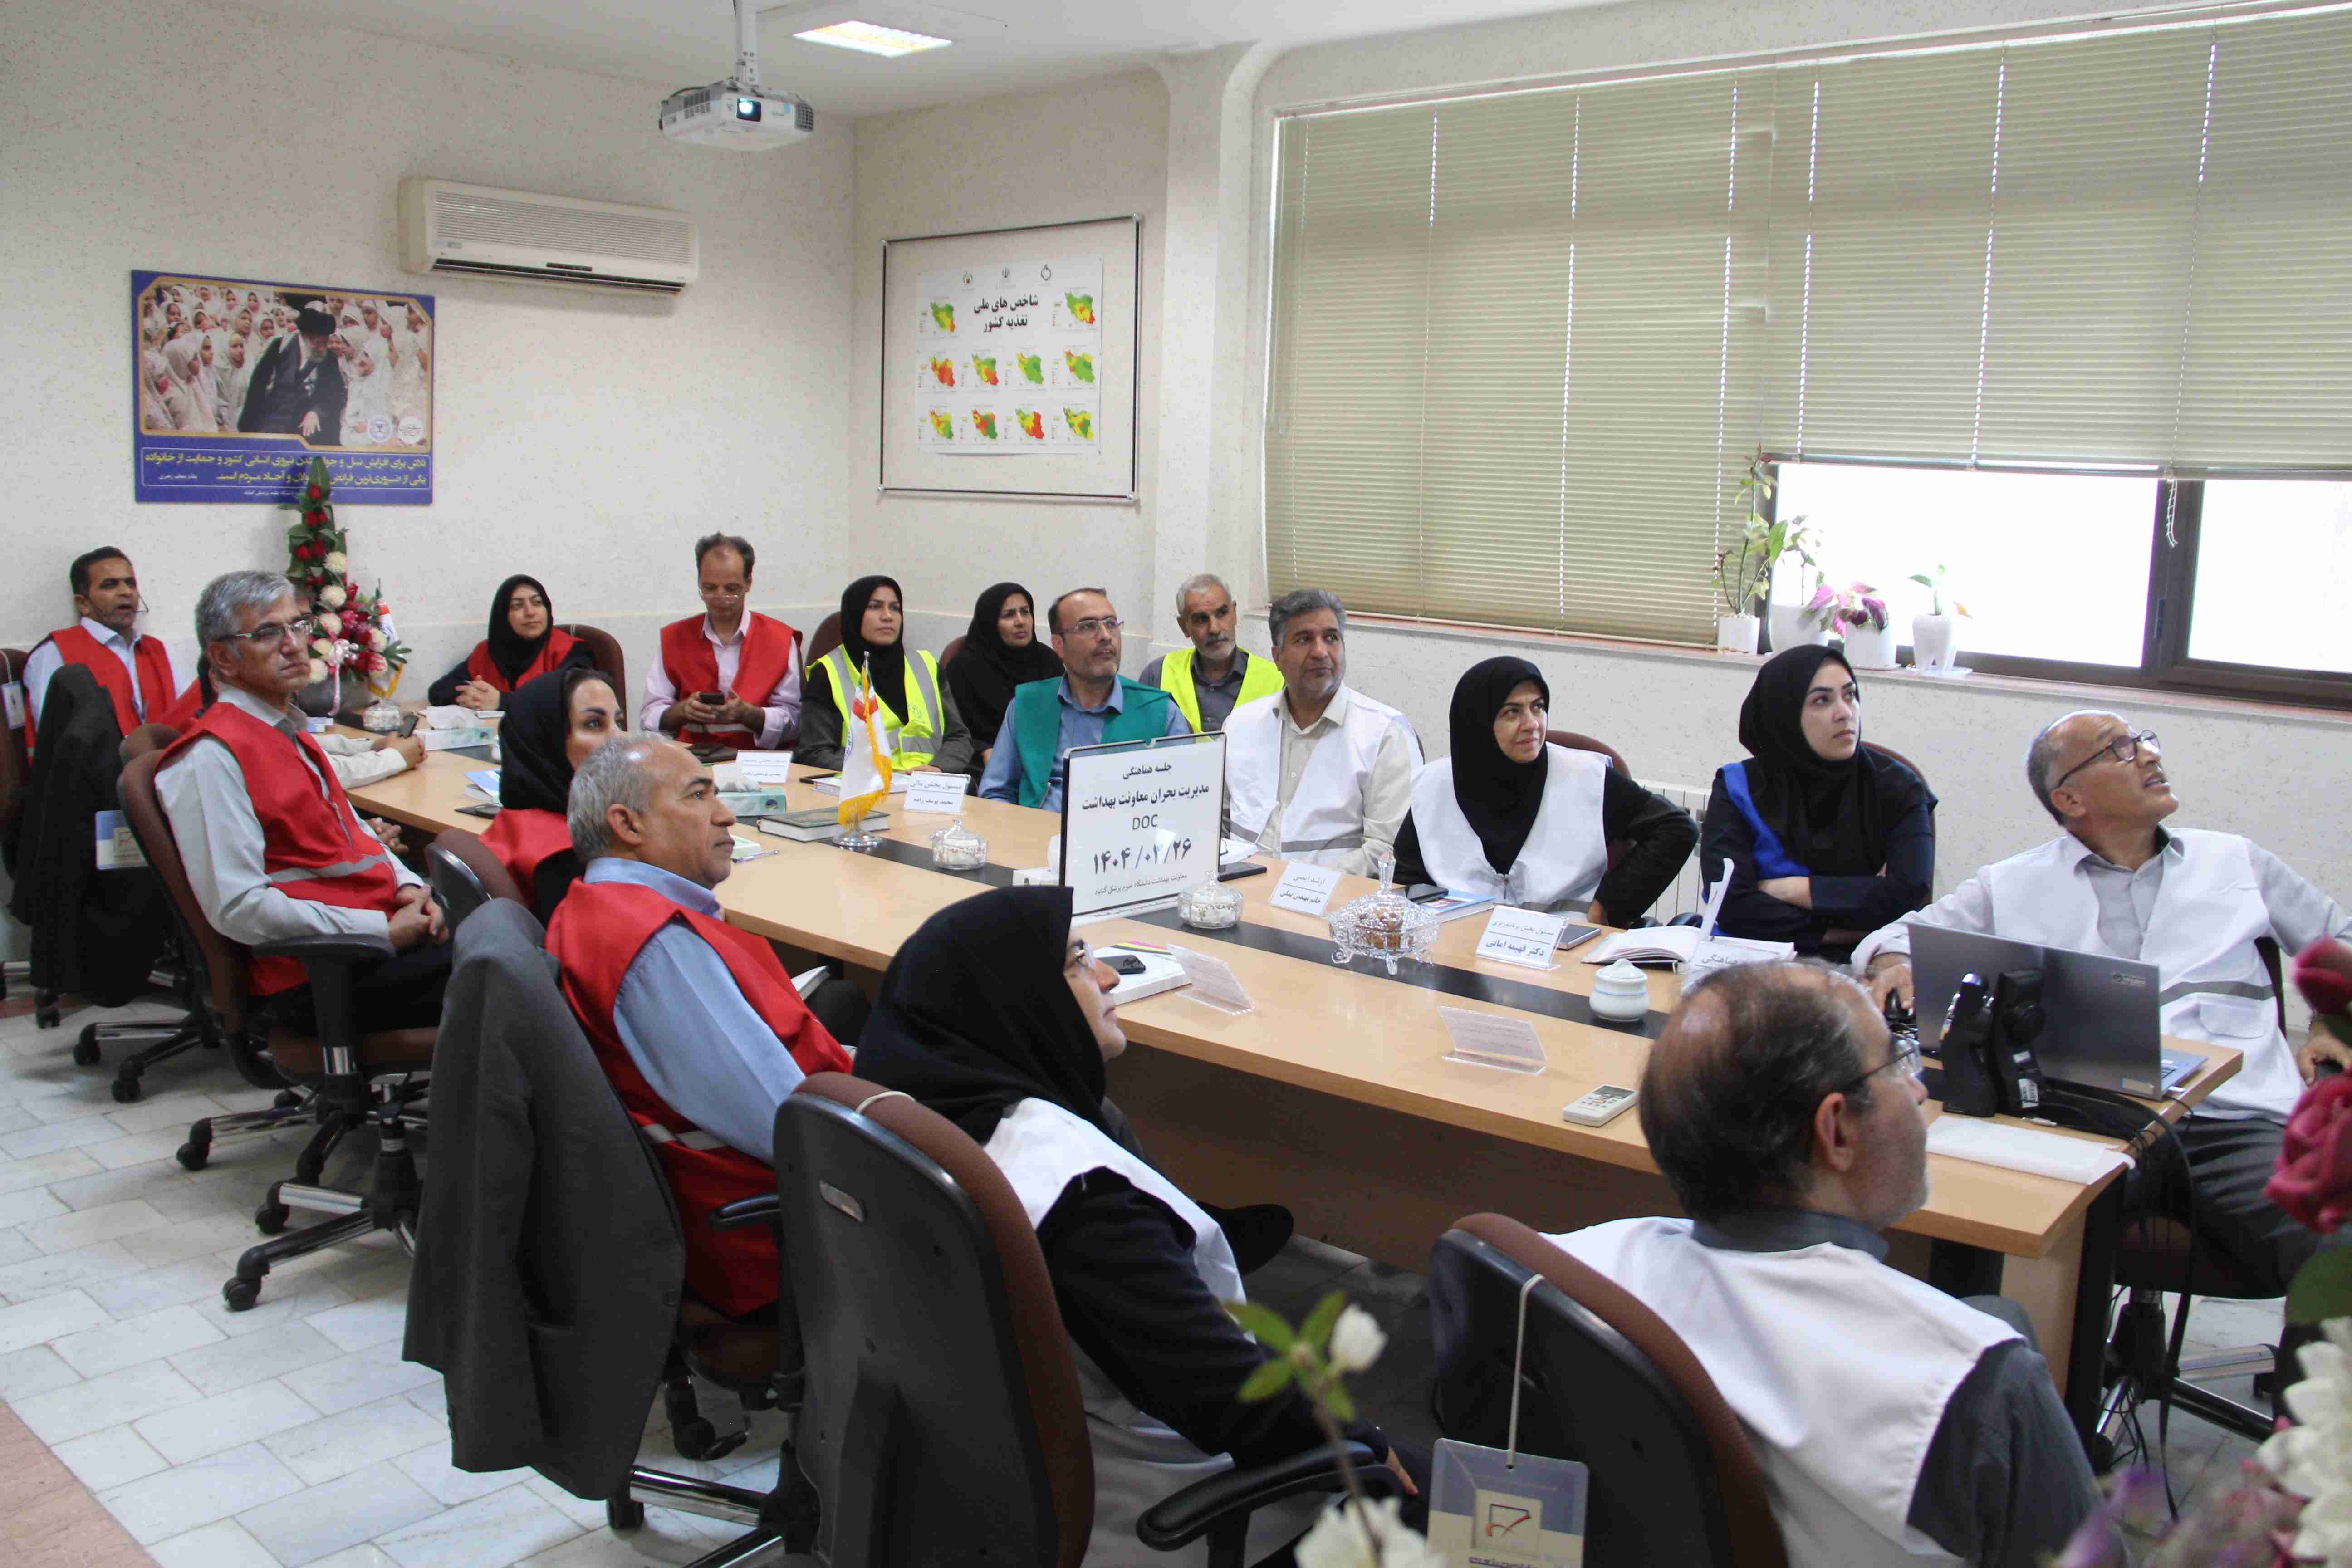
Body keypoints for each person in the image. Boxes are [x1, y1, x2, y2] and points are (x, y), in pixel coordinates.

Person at [853, 885, 1420, 1568]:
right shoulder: (1078, 1201)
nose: (1109, 976)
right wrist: (1362, 1440)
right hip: (1142, 1509)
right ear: (1019, 1002)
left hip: (972, 1486)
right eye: (1076, 961)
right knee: (1437, 1491)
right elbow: (1231, 1400)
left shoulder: (923, 1120)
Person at [1548, 962, 2103, 1568]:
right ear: (1835, 1131)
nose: (1919, 1092)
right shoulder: (1977, 1386)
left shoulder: (1566, 1271)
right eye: (1897, 1066)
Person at [1855, 711, 2352, 1303]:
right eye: (2118, 749)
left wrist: (2329, 1022)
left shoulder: (2236, 862)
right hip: (2082, 1120)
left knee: (2333, 1236)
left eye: (2143, 741)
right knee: (1965, 1228)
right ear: (2070, 798)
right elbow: (1897, 938)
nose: (2149, 754)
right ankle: (2018, 1356)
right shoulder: (2013, 883)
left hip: (2235, 1126)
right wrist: (1894, 963)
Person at [545, 737, 851, 1316]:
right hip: (776, 1239)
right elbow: (791, 1127)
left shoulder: (594, 905)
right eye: (698, 795)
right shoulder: (657, 948)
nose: (726, 814)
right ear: (627, 825)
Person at [155, 571, 451, 1032]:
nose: (295, 645)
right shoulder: (211, 758)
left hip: (369, 937)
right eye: (267, 633)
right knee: (516, 967)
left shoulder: (287, 729)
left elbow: (356, 832)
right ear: (223, 658)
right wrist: (382, 931)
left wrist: (408, 886)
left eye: (298, 626)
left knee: (509, 932)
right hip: (321, 974)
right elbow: (239, 907)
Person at [1393, 657, 1695, 925]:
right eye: (1512, 713)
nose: (1532, 724)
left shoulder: (1585, 777)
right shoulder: (1435, 784)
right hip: (1459, 943)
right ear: (1478, 724)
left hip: (1561, 947)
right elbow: (1408, 877)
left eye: (1538, 708)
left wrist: (1609, 905)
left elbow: (1677, 828)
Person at [1705, 646, 1936, 958]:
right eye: (1821, 701)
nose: (1845, 713)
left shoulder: (1897, 786)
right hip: (1753, 957)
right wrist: (1846, 924)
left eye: (1850, 695)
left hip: (1864, 961)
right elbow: (1731, 906)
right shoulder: (1738, 787)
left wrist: (1790, 889)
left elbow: (1907, 896)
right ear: (1785, 715)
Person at [1222, 589, 1421, 875]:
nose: (1320, 652)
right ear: (1278, 657)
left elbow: (1388, 849)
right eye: (1304, 640)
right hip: (1242, 889)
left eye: (1331, 638)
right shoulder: (1240, 725)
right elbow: (1218, 827)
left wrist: (1302, 885)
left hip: (1340, 897)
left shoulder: (1385, 733)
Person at [977, 589, 1188, 812]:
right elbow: (995, 792)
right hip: (1034, 829)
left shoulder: (1160, 712)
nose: (1106, 636)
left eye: (1112, 624)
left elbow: (1183, 805)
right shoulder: (1027, 706)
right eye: (1088, 626)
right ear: (1059, 645)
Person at [641, 533, 803, 751]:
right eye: (709, 588)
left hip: (760, 759)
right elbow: (649, 718)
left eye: (731, 589)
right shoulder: (674, 638)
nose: (720, 598)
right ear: (699, 583)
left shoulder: (780, 640)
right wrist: (681, 711)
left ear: (748, 583)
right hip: (692, 758)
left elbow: (795, 722)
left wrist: (750, 715)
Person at [798, 574, 974, 774]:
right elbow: (815, 752)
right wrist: (875, 775)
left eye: (895, 608)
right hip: (865, 787)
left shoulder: (926, 665)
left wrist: (938, 768)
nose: (888, 616)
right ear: (855, 614)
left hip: (929, 784)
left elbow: (958, 737)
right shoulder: (829, 672)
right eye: (875, 607)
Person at [480, 666, 620, 917]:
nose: (619, 738)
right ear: (545, 737)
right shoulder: (566, 861)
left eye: (618, 722)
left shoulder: (517, 816)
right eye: (594, 724)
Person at [24, 547, 182, 750]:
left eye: (131, 583)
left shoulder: (157, 651)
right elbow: (54, 738)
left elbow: (185, 714)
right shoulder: (54, 653)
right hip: (91, 768)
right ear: (83, 604)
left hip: (162, 764)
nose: (126, 592)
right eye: (110, 585)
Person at [941, 581, 1062, 775]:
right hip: (985, 766)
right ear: (990, 623)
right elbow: (955, 730)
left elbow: (1065, 717)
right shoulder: (963, 668)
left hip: (1048, 761)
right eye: (1009, 615)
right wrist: (983, 749)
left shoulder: (1049, 661)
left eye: (1025, 612)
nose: (1021, 621)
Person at [1140, 573, 1282, 735]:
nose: (1214, 629)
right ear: (1184, 626)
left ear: (1234, 613)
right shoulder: (1157, 676)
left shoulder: (1277, 680)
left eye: (1222, 613)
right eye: (1201, 619)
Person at [425, 575, 588, 709]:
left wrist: (502, 702)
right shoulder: (488, 651)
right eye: (517, 606)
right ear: (503, 616)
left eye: (537, 603)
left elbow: (574, 700)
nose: (530, 612)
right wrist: (467, 697)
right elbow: (439, 690)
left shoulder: (571, 650)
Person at [238, 304, 350, 442]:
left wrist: (316, 412)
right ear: (305, 337)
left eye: (325, 342)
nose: (323, 348)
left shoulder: (329, 359)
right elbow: (257, 388)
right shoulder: (279, 348)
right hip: (275, 421)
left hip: (307, 427)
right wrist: (248, 430)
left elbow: (336, 394)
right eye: (318, 343)